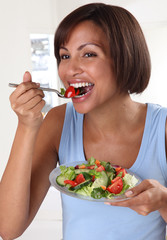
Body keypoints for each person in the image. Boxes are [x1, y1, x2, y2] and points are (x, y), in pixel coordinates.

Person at [0, 2, 167, 240]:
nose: (70, 70)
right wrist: (26, 126)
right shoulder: (58, 123)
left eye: (88, 54)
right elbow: (8, 228)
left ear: (124, 58)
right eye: (64, 56)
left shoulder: (162, 128)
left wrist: (164, 201)